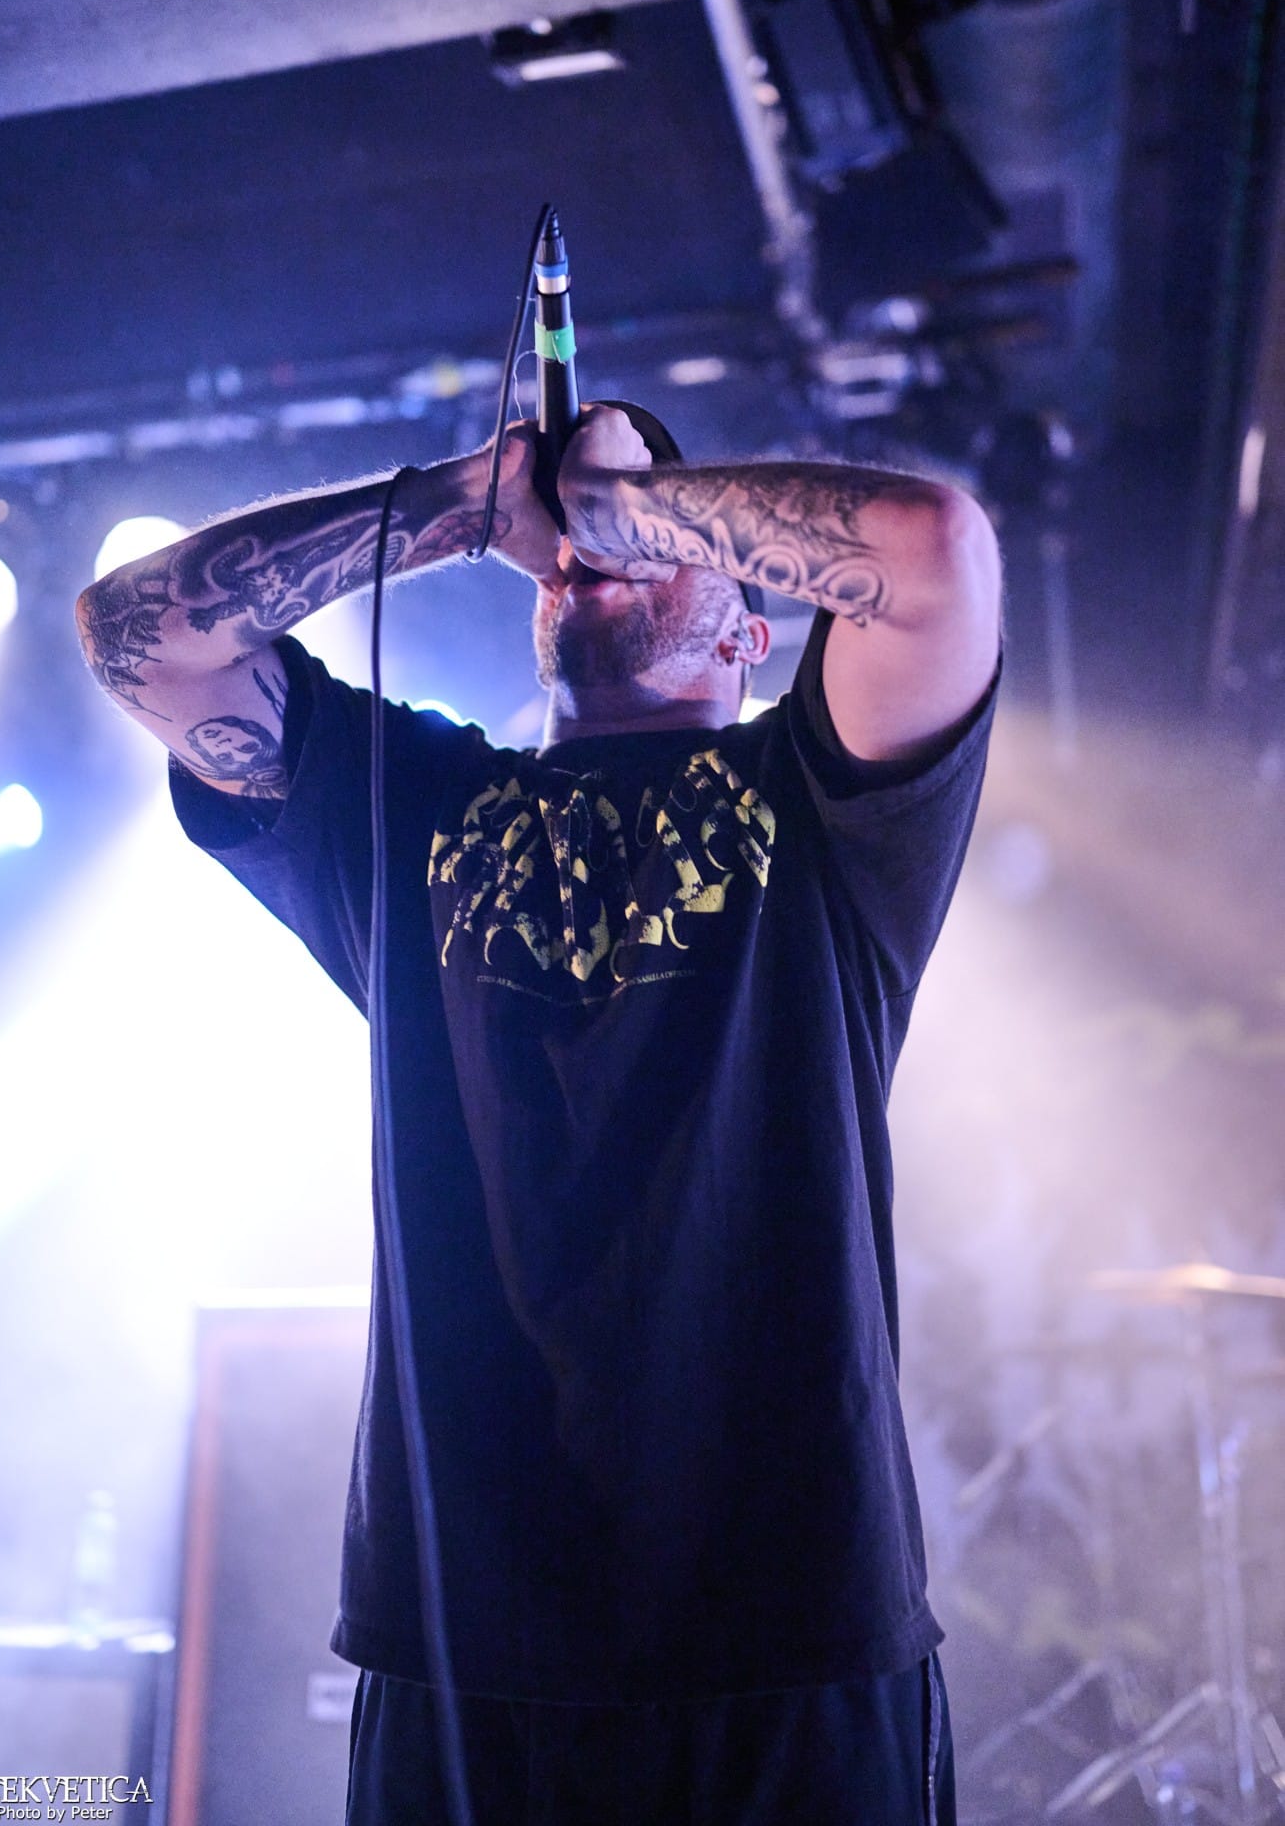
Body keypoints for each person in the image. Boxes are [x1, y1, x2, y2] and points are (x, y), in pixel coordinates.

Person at [75, 401, 1002, 1826]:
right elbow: (137, 634)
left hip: (790, 1621)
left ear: (752, 633)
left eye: (647, 513)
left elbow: (933, 551)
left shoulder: (821, 800)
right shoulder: (411, 805)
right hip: (464, 1637)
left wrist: (623, 510)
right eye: (572, 518)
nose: (593, 531)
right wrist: (463, 501)